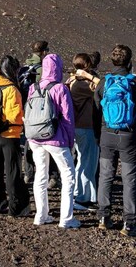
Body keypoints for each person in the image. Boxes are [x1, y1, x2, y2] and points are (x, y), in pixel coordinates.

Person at [79, 44, 136, 236]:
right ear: (129, 62)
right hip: (129, 137)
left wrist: (97, 135)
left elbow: (95, 112)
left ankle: (104, 217)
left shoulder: (104, 83)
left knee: (106, 176)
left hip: (106, 136)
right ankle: (129, 223)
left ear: (113, 61)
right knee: (130, 179)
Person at [28, 53, 79, 228]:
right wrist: (70, 141)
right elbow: (68, 118)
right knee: (68, 176)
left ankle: (41, 215)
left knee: (40, 175)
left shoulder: (33, 87)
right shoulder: (60, 88)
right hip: (55, 139)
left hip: (35, 138)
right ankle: (66, 218)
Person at [0, 56, 31, 217]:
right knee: (13, 170)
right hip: (10, 133)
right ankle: (17, 207)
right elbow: (13, 116)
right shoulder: (11, 88)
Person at [22, 40, 59, 187]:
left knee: (29, 140)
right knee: (49, 139)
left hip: (28, 110)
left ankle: (28, 172)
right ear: (44, 52)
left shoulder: (25, 66)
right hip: (44, 109)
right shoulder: (44, 68)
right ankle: (53, 175)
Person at [66, 53, 99, 211]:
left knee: (83, 160)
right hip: (85, 127)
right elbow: (104, 87)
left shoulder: (73, 81)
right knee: (87, 162)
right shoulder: (82, 84)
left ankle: (84, 195)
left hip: (79, 126)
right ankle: (82, 198)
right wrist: (90, 77)